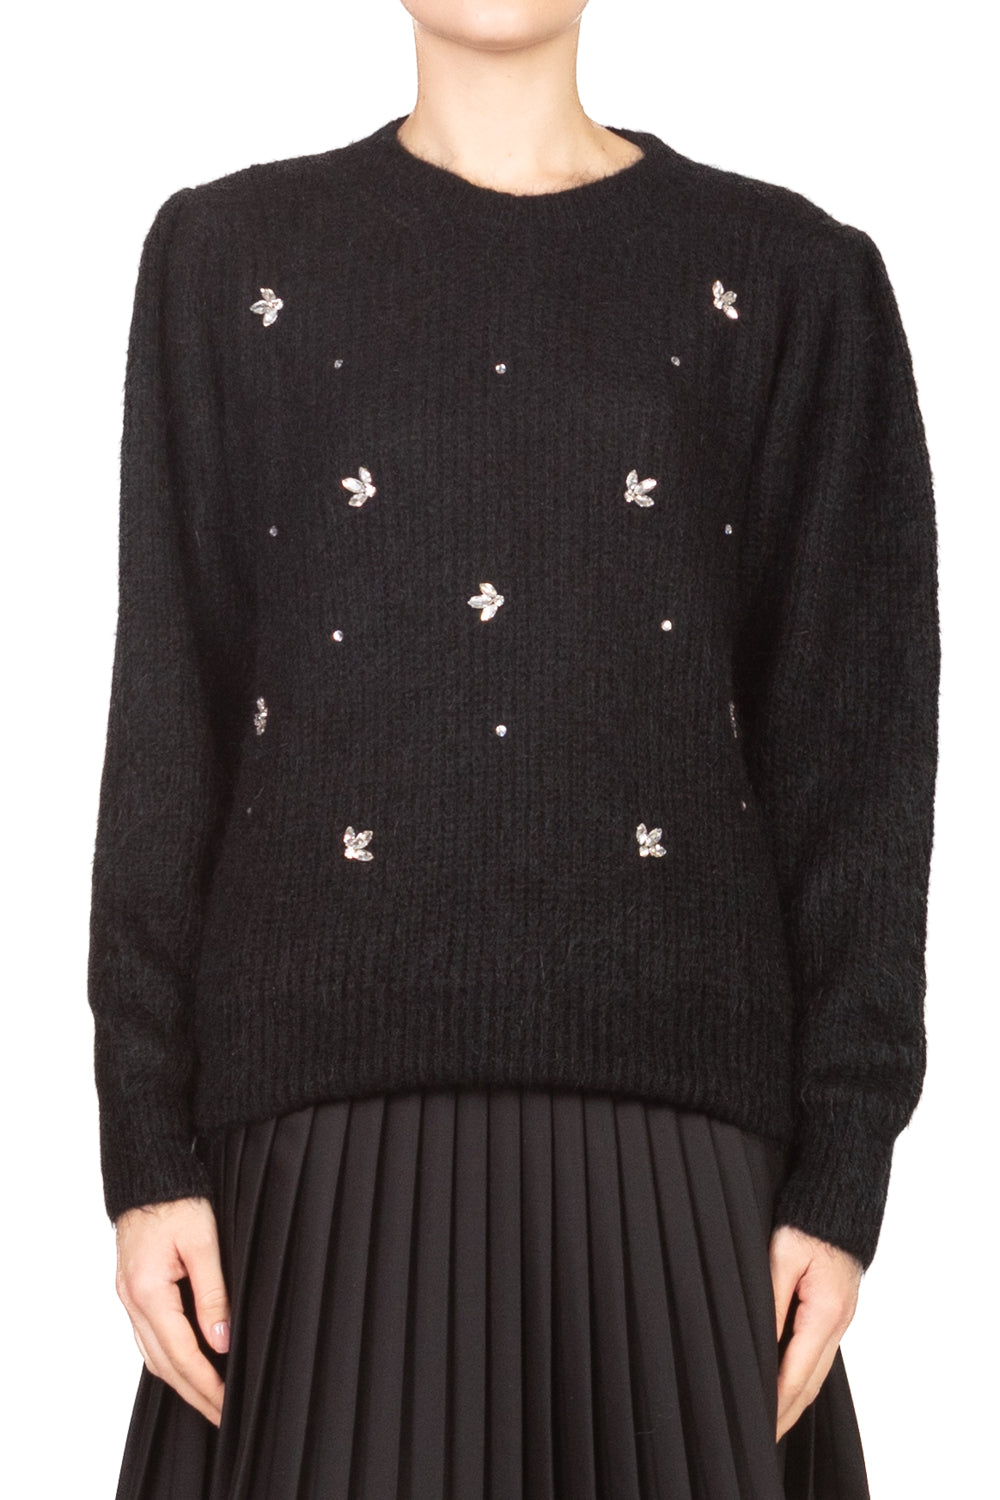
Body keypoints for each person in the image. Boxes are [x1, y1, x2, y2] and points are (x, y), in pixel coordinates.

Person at [88, 3, 940, 1496]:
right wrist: (146, 1146)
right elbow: (171, 715)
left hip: (681, 1159)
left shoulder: (792, 278)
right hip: (304, 1159)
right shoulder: (228, 260)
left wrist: (846, 1162)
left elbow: (854, 752)